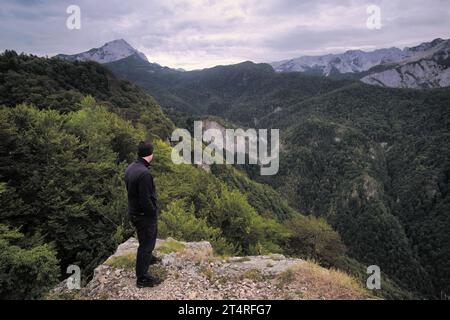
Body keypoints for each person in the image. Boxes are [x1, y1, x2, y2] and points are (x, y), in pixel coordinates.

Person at [125, 140, 161, 288]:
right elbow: (145, 199)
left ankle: (148, 258)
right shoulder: (145, 174)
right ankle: (142, 278)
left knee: (144, 239)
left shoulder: (131, 167)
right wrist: (153, 212)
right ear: (150, 154)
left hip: (134, 211)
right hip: (143, 215)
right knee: (146, 244)